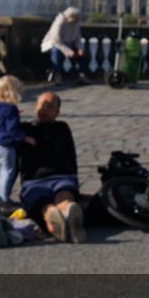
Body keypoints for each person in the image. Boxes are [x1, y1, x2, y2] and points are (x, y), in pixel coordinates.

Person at [17, 91, 88, 243]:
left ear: (57, 113)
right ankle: (58, 218)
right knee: (41, 203)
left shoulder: (62, 127)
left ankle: (67, 212)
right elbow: (3, 137)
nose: (44, 108)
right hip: (34, 181)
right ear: (35, 107)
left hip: (61, 176)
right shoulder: (24, 129)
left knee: (64, 194)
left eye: (49, 106)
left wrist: (74, 180)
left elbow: (71, 154)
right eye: (41, 104)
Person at [0, 75, 36, 205]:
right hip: (6, 145)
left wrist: (14, 114)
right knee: (8, 172)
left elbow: (0, 119)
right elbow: (13, 130)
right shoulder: (10, 109)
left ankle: (1, 195)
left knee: (2, 170)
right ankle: (3, 198)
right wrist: (26, 138)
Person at [41, 6, 89, 84]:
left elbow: (78, 38)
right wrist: (68, 51)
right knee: (56, 53)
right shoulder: (58, 22)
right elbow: (56, 41)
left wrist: (80, 48)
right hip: (53, 44)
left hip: (69, 44)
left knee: (82, 55)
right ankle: (57, 75)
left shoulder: (76, 23)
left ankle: (82, 75)